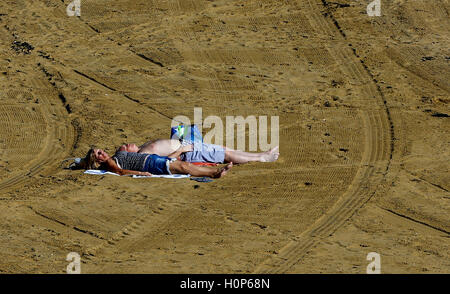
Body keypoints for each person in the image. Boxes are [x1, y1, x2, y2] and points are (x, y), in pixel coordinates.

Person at [78, 147, 232, 178]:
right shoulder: (110, 163)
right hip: (149, 165)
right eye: (99, 153)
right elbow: (120, 172)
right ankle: (214, 173)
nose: (102, 152)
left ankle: (214, 172)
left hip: (151, 160)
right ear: (97, 160)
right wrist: (141, 173)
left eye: (100, 150)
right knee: (183, 167)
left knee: (185, 166)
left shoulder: (113, 156)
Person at [117, 139, 279, 164]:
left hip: (187, 144)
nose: (127, 144)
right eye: (125, 147)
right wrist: (181, 150)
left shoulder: (143, 147)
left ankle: (261, 153)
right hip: (187, 152)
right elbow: (165, 161)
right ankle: (261, 158)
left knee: (222, 149)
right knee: (225, 155)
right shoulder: (142, 157)